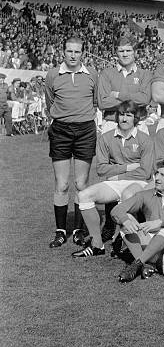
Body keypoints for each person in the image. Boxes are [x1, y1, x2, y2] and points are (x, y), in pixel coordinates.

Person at [72, 100, 154, 258]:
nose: (124, 119)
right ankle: (97, 245)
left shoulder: (145, 139)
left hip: (138, 183)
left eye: (129, 115)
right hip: (114, 182)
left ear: (135, 118)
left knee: (128, 195)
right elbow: (101, 169)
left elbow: (145, 172)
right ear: (117, 117)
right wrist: (126, 168)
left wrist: (116, 173)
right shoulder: (106, 138)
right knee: (83, 196)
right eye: (122, 115)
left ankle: (125, 241)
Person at [44, 36, 98, 249]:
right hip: (61, 131)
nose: (73, 55)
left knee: (81, 184)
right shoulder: (52, 75)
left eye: (77, 52)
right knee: (62, 184)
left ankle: (77, 230)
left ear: (82, 53)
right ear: (63, 52)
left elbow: (95, 101)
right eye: (69, 51)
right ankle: (60, 231)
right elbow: (50, 101)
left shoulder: (92, 74)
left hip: (85, 130)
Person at [112, 160, 164, 283]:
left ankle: (138, 264)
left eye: (162, 175)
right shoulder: (145, 195)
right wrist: (125, 220)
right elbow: (117, 210)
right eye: (156, 173)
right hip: (151, 244)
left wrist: (160, 222)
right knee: (125, 221)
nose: (156, 178)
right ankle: (142, 264)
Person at [97, 36, 152, 134]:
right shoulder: (106, 73)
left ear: (135, 52)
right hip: (112, 124)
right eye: (121, 51)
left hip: (138, 124)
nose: (125, 54)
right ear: (116, 53)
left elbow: (144, 99)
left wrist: (118, 95)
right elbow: (103, 102)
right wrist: (134, 101)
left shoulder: (145, 74)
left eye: (128, 50)